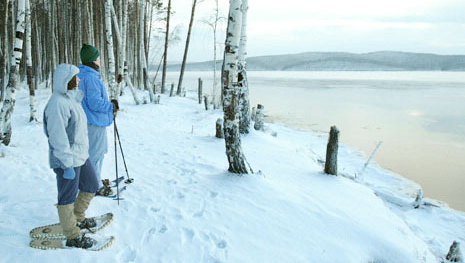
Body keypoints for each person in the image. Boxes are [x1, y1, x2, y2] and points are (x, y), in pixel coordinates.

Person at [43, 63, 99, 249]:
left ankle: (78, 217)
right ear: (66, 80)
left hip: (81, 156)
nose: (79, 79)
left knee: (91, 185)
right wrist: (66, 164)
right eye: (76, 77)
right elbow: (57, 137)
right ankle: (73, 235)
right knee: (66, 197)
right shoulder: (57, 103)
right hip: (67, 159)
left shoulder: (71, 100)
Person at [77, 44, 119, 195]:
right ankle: (92, 187)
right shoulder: (91, 78)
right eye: (98, 57)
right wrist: (111, 106)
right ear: (93, 60)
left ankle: (91, 181)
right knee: (96, 155)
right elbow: (94, 103)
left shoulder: (82, 75)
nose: (100, 59)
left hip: (87, 121)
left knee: (92, 154)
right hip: (94, 122)